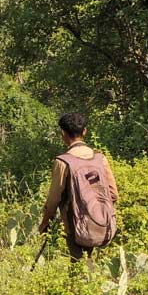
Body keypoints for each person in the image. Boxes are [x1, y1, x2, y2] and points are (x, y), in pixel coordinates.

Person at [38, 112, 118, 262]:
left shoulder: (63, 162)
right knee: (91, 262)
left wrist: (45, 223)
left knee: (79, 265)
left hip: (75, 226)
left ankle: (84, 284)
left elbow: (53, 200)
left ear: (63, 134)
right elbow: (113, 194)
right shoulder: (100, 159)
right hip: (103, 224)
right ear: (85, 131)